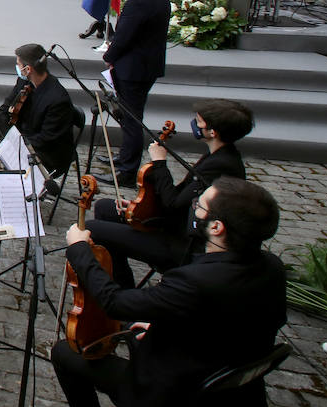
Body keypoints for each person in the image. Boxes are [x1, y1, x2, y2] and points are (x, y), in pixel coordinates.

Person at [47, 178, 286, 407]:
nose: (195, 211)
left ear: (217, 228)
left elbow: (113, 301)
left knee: (66, 353)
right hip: (238, 403)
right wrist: (166, 324)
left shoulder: (194, 281)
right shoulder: (272, 268)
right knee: (135, 331)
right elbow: (231, 321)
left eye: (201, 207)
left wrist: (80, 249)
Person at [88, 99, 252, 288]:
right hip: (172, 223)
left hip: (181, 243)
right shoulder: (218, 155)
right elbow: (180, 198)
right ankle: (121, 280)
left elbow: (172, 203)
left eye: (199, 121)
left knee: (95, 229)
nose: (195, 124)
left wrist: (159, 163)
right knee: (105, 208)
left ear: (212, 132)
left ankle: (122, 293)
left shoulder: (221, 166)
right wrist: (140, 207)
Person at [0, 43, 77, 179]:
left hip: (45, 152)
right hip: (21, 137)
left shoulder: (58, 100)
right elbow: (4, 110)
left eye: (18, 64)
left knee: (5, 178)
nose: (17, 67)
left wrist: (7, 145)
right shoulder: (24, 82)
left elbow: (45, 140)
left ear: (28, 69)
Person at [102, 0, 169, 176]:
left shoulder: (140, 1)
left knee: (131, 119)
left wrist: (109, 56)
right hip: (145, 66)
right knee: (129, 116)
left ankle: (127, 170)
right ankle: (124, 156)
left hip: (133, 69)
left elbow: (124, 37)